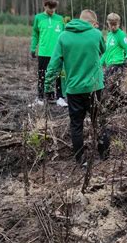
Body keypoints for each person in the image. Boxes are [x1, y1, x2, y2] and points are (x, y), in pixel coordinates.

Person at [44, 9, 109, 164]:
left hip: (73, 89)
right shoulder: (96, 34)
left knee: (76, 125)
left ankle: (80, 159)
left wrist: (47, 86)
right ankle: (104, 156)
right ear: (92, 22)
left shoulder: (63, 36)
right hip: (94, 88)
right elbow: (103, 50)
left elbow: (54, 65)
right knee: (98, 121)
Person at [30, 0, 67, 107]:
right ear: (45, 6)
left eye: (54, 8)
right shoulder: (38, 18)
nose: (52, 10)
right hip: (43, 52)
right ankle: (40, 97)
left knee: (59, 75)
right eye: (50, 8)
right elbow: (35, 34)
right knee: (42, 75)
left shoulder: (60, 19)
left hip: (57, 53)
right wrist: (33, 48)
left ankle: (60, 97)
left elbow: (65, 35)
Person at [101, 13, 127, 109]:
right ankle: (122, 103)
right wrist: (99, 63)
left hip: (118, 65)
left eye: (115, 24)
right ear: (107, 23)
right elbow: (106, 52)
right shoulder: (109, 35)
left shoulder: (121, 35)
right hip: (109, 64)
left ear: (119, 24)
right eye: (111, 24)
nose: (113, 26)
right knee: (113, 88)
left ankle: (116, 105)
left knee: (109, 86)